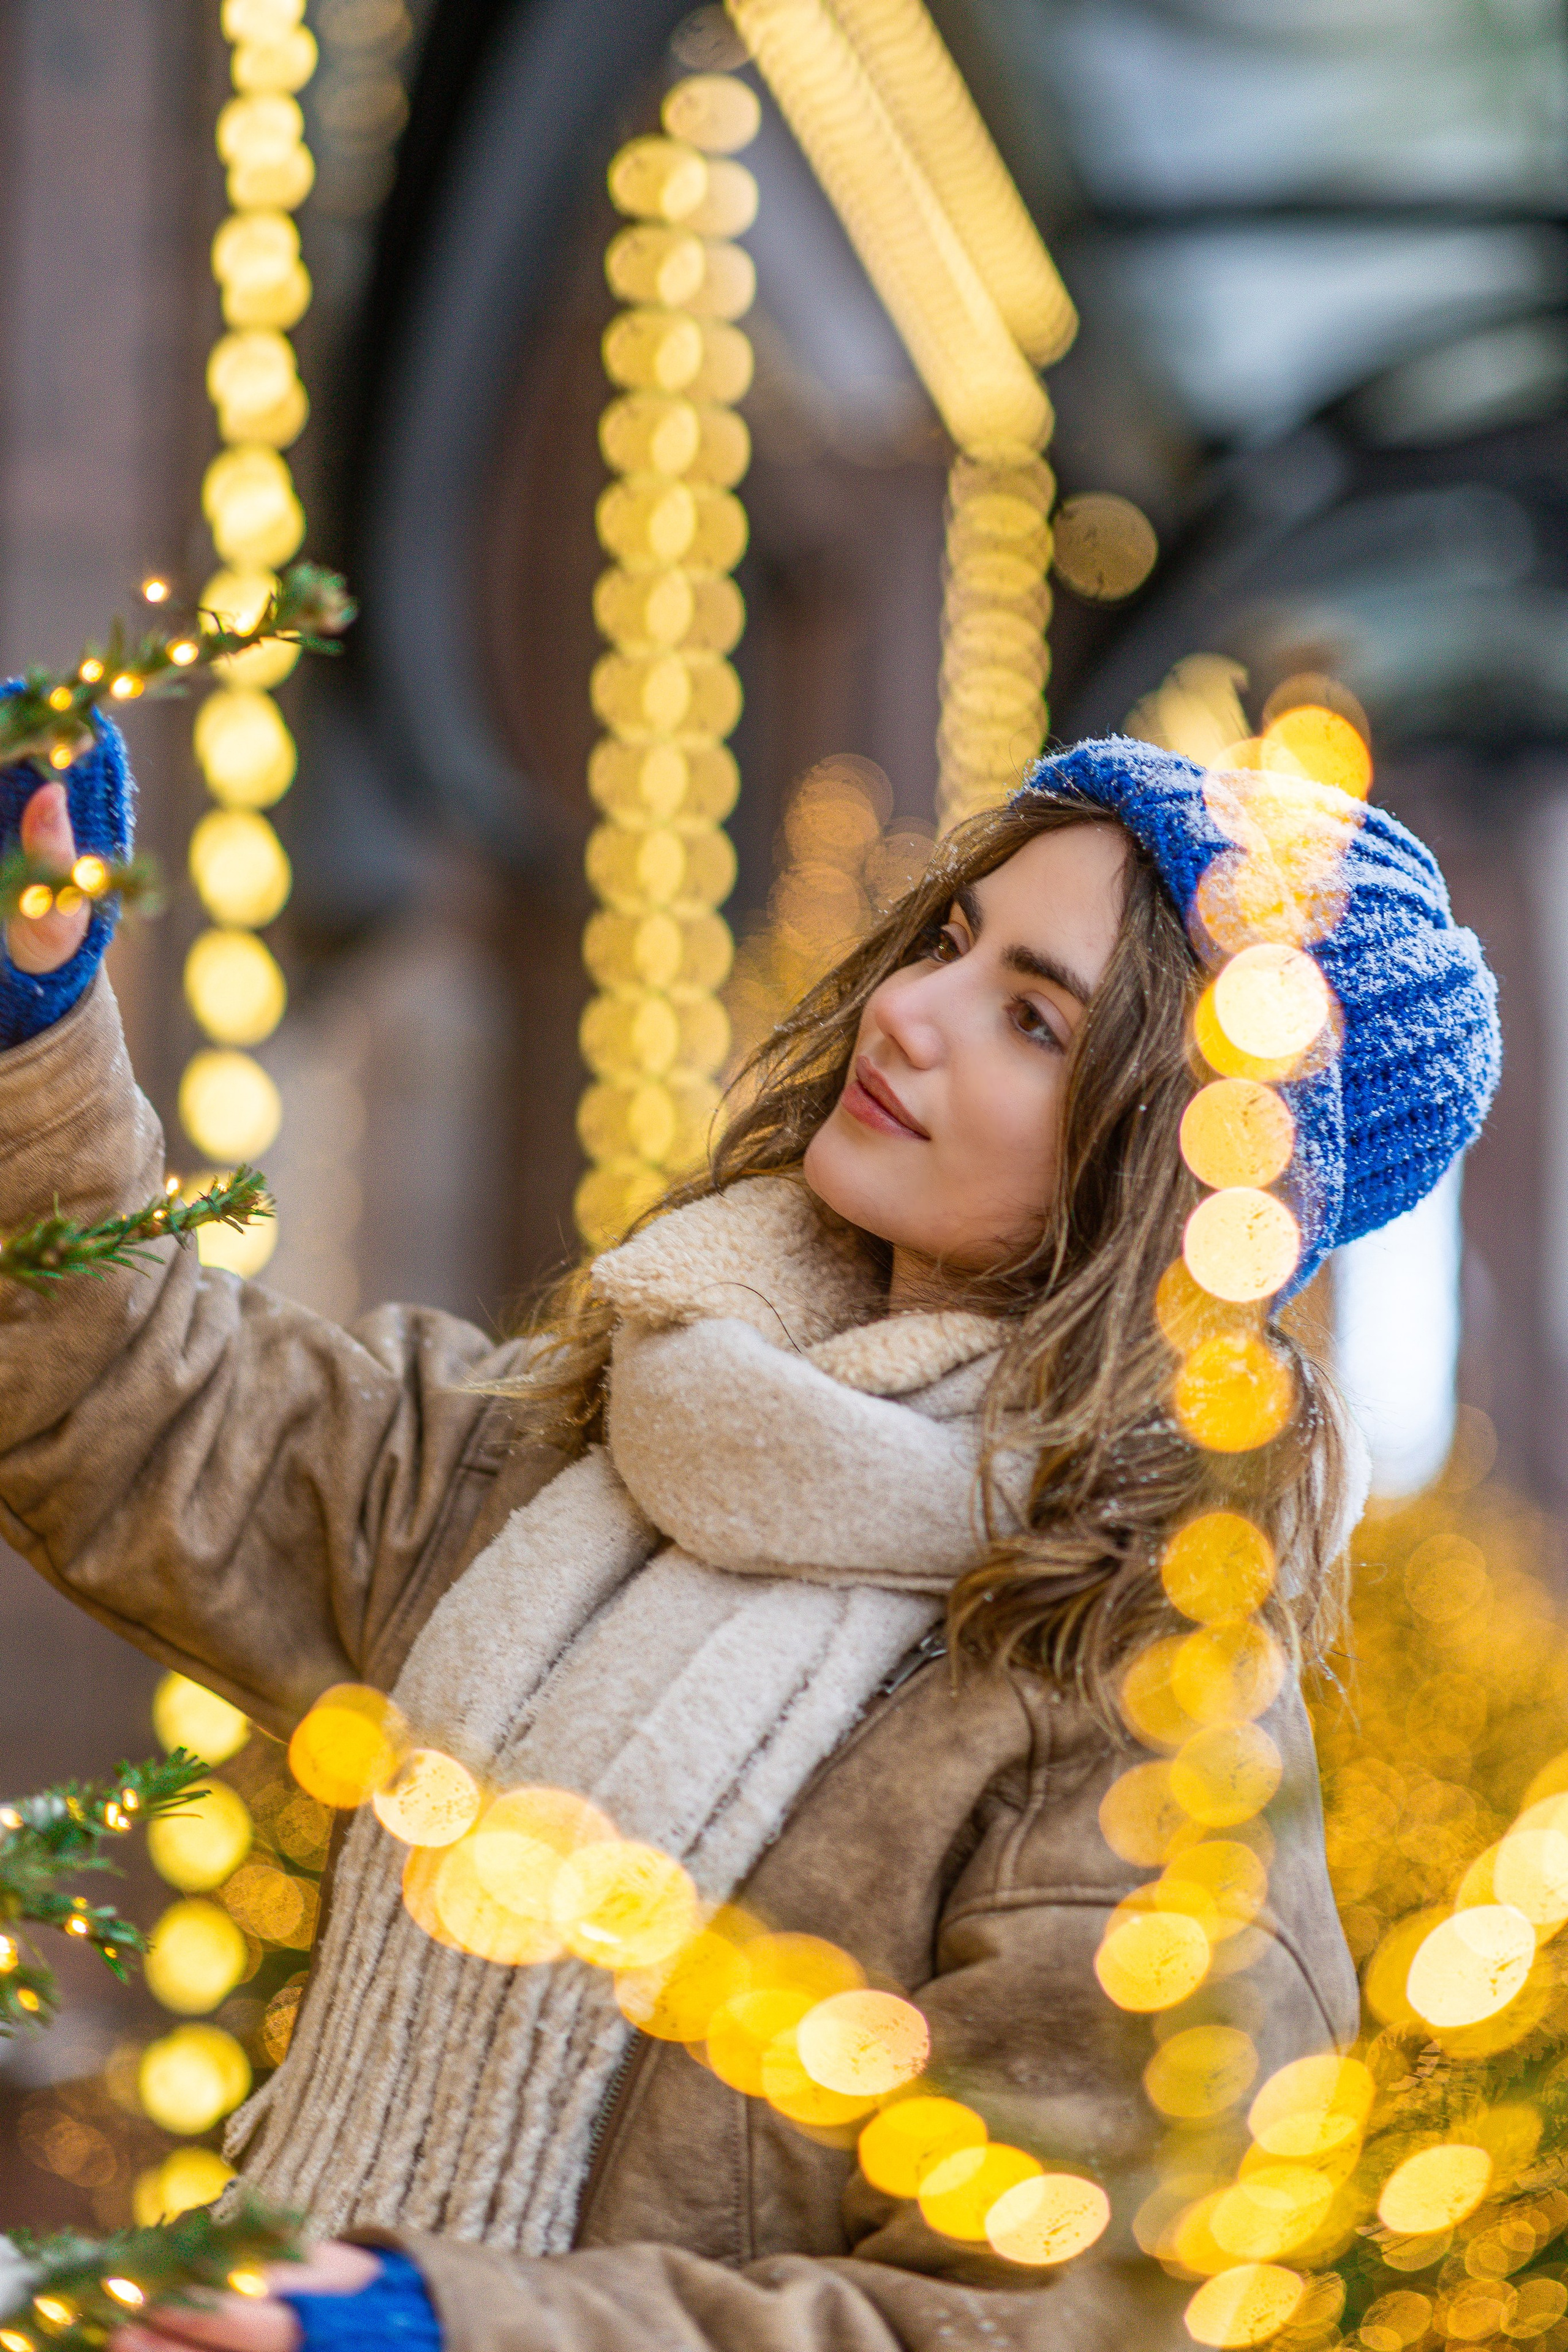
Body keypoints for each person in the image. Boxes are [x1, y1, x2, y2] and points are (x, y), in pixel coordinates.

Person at [0, 731, 1499, 2352]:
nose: (909, 1012)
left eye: (1034, 1019)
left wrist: (446, 2327)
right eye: (951, 939)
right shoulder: (607, 1438)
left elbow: (1052, 2320)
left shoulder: (1152, 1738)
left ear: (1163, 1174)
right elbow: (141, 1405)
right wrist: (37, 1011)